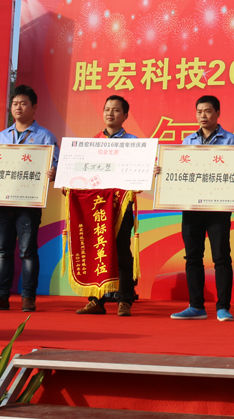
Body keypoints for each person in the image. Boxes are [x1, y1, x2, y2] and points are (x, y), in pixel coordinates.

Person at [0, 86, 58, 313]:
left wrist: (54, 172)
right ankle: (1, 296)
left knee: (27, 252)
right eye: (15, 104)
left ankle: (28, 297)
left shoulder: (45, 136)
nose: (18, 107)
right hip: (2, 202)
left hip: (28, 204)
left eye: (23, 103)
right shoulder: (2, 136)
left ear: (34, 107)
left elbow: (57, 166)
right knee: (3, 251)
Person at [168, 95, 234, 322]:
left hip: (218, 208)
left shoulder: (230, 140)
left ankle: (223, 308)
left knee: (221, 257)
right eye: (199, 111)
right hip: (191, 208)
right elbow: (179, 171)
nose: (203, 116)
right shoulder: (188, 140)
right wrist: (164, 171)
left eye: (208, 111)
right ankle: (196, 306)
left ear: (218, 113)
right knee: (192, 257)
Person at [76, 95, 139, 316]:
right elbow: (80, 173)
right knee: (98, 251)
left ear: (125, 115)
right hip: (96, 207)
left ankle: (125, 300)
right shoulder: (92, 142)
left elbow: (141, 172)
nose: (110, 113)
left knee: (122, 252)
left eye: (115, 110)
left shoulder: (134, 143)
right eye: (107, 109)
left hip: (121, 206)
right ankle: (96, 300)